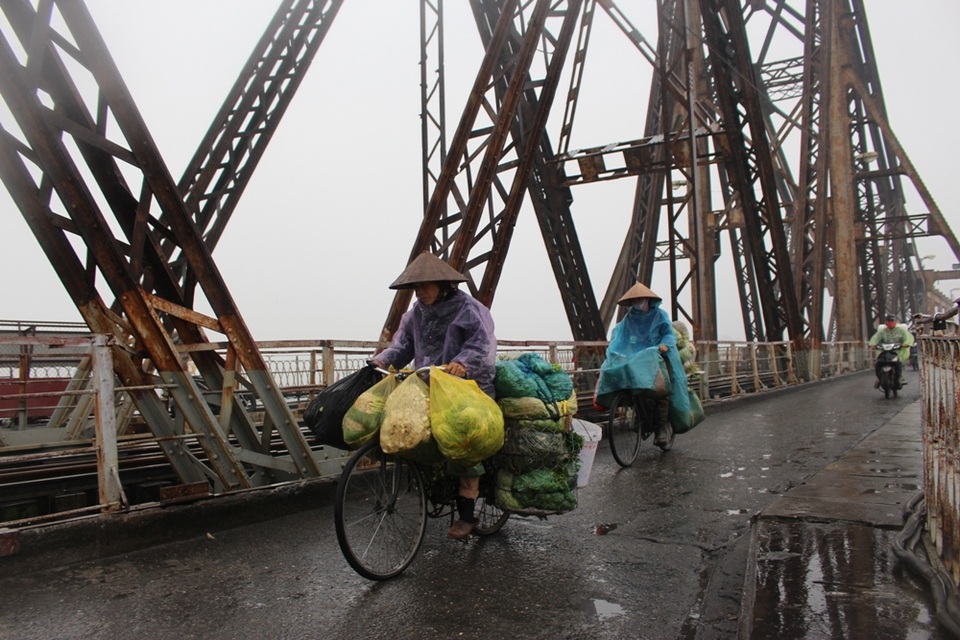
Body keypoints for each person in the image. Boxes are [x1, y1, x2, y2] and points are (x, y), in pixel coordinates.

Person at [371, 251, 497, 540]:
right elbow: (402, 346)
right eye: (417, 287)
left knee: (463, 439)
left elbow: (481, 343)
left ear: (443, 284)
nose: (421, 292)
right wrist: (381, 361)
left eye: (427, 285)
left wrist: (462, 363)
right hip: (430, 382)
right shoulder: (416, 313)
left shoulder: (467, 309)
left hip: (468, 387)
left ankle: (467, 514)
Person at [605, 282, 689, 446]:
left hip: (659, 354)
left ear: (648, 301)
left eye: (640, 300)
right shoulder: (629, 319)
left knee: (661, 390)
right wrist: (613, 355)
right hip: (638, 356)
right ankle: (640, 416)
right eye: (635, 301)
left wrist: (664, 345)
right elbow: (620, 337)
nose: (638, 303)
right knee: (633, 385)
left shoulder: (660, 315)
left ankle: (662, 429)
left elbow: (668, 334)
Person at [868, 313, 914, 388]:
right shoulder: (882, 331)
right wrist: (872, 344)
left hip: (897, 352)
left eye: (892, 320)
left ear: (895, 322)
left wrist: (905, 344)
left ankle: (898, 379)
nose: (890, 322)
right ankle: (879, 379)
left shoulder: (901, 331)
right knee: (878, 364)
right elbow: (875, 338)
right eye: (888, 321)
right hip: (884, 351)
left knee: (898, 364)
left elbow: (907, 339)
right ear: (886, 322)